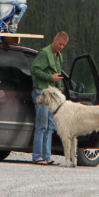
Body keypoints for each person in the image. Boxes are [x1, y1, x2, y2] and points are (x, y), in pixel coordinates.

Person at [30, 31, 68, 165]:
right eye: (60, 43)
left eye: (64, 45)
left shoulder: (59, 56)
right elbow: (34, 70)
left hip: (53, 96)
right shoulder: (44, 53)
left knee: (50, 126)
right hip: (42, 92)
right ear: (54, 40)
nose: (61, 47)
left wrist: (60, 92)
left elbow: (58, 74)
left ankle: (47, 156)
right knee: (41, 125)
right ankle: (37, 156)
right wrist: (49, 78)